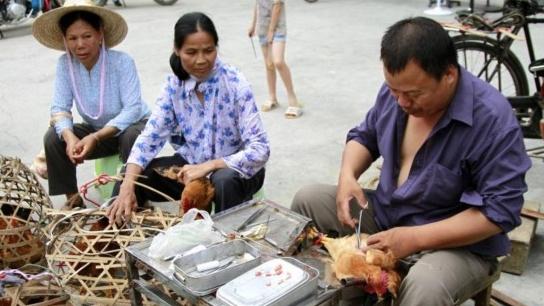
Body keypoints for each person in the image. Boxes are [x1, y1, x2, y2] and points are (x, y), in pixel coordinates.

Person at [291, 17, 531, 305]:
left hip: (456, 245)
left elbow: (499, 211)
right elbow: (364, 136)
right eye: (395, 91)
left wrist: (415, 239)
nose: (402, 102)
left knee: (424, 288)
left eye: (414, 94)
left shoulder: (492, 119)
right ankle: (336, 295)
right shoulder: (399, 91)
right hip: (389, 214)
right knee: (308, 200)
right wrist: (347, 176)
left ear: (449, 75)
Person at [106, 12, 270, 224]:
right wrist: (128, 185)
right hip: (191, 167)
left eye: (208, 51)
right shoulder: (174, 86)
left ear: (216, 48)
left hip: (235, 170)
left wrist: (210, 165)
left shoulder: (235, 83)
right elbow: (150, 137)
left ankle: (228, 242)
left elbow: (260, 149)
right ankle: (111, 234)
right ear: (177, 50)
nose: (201, 60)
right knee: (131, 175)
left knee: (223, 181)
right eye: (191, 52)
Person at [32, 0, 150, 208]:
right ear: (65, 40)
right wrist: (69, 139)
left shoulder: (122, 62)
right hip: (96, 132)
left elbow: (133, 109)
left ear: (100, 34)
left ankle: (129, 198)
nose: (80, 44)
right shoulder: (64, 65)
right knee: (53, 137)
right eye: (72, 38)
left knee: (132, 136)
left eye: (87, 36)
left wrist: (95, 137)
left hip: (131, 127)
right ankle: (73, 200)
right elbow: (59, 109)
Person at [248, 0, 302, 118]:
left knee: (278, 61)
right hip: (263, 28)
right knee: (269, 64)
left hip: (277, 29)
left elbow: (277, 6)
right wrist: (253, 25)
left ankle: (293, 100)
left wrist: (271, 31)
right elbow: (257, 4)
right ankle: (272, 97)